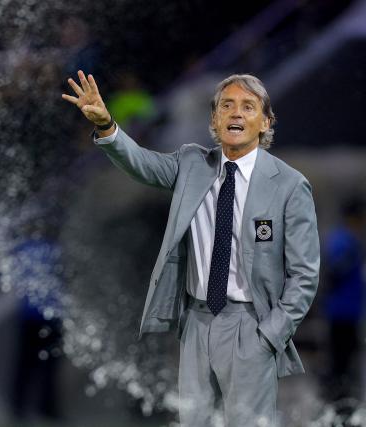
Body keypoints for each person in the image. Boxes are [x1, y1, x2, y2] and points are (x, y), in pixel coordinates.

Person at [63, 70, 319, 426]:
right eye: (226, 105)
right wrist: (107, 127)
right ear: (214, 119)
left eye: (248, 106)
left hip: (252, 324)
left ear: (265, 122)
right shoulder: (192, 163)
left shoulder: (290, 185)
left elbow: (305, 275)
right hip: (197, 322)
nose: (236, 113)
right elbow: (142, 164)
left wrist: (270, 334)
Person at [322, 197, 366, 401]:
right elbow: (333, 272)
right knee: (340, 362)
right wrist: (353, 254)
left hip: (352, 313)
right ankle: (337, 402)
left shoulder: (352, 240)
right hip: (340, 313)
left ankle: (344, 398)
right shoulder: (342, 239)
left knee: (348, 362)